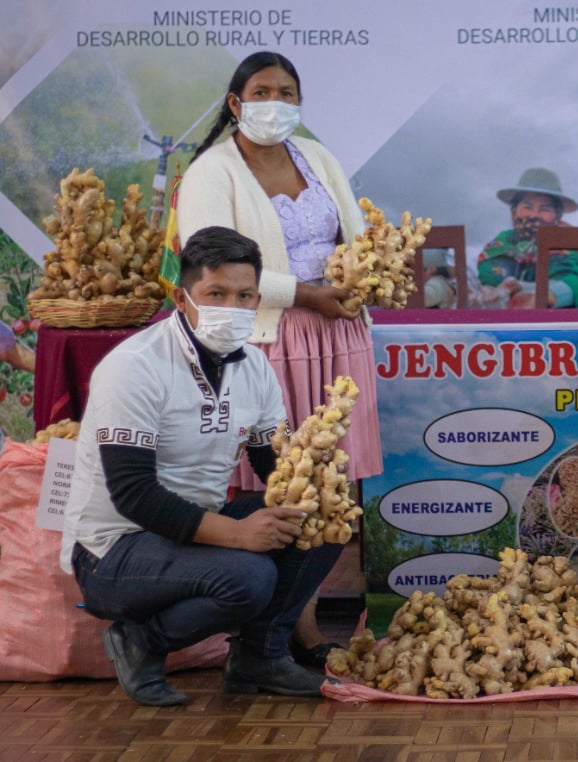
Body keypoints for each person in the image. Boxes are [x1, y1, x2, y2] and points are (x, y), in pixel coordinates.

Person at [58, 226, 340, 706]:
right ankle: (139, 642)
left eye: (245, 295)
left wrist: (313, 473)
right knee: (249, 577)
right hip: (114, 550)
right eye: (217, 293)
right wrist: (238, 535)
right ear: (183, 297)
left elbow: (275, 461)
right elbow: (134, 494)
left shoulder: (254, 367)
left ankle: (259, 656)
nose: (232, 307)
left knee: (324, 523)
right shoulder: (135, 367)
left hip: (189, 535)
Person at [177, 51, 382, 668]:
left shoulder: (316, 157)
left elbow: (356, 237)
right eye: (262, 91)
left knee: (333, 481)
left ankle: (298, 617)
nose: (276, 102)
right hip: (266, 339)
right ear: (237, 103)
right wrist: (307, 294)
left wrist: (364, 276)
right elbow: (210, 267)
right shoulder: (212, 171)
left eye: (287, 92)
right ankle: (282, 628)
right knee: (281, 479)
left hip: (338, 333)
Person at [474, 168, 578, 308]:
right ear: (514, 212)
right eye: (527, 207)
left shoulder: (573, 244)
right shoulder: (504, 241)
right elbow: (490, 279)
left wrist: (542, 295)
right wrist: (497, 290)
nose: (534, 215)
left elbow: (576, 281)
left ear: (557, 216)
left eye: (544, 209)